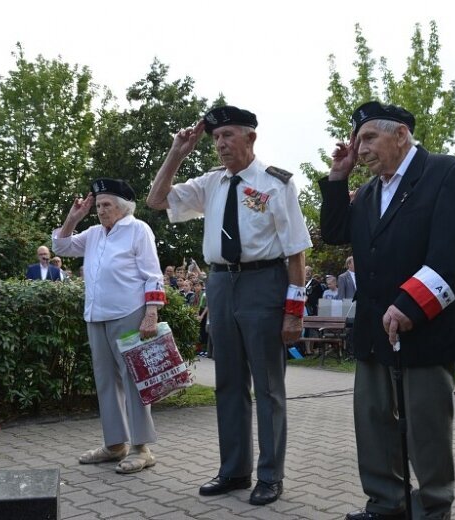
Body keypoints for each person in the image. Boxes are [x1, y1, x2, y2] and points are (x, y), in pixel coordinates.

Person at [147, 105, 312, 506]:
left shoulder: (276, 183)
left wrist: (294, 312)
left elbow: (296, 253)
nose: (220, 144)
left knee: (268, 386)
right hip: (221, 283)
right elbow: (156, 200)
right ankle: (234, 470)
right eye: (216, 138)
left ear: (250, 138)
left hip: (264, 282)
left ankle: (270, 475)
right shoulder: (212, 184)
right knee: (229, 383)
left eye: (228, 136)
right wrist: (176, 154)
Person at [319, 100, 455, 520]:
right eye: (357, 139)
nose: (361, 147)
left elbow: (453, 253)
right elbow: (335, 233)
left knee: (426, 428)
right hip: (374, 329)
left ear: (401, 134)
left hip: (423, 327)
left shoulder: (445, 173)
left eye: (369, 137)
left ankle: (432, 507)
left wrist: (410, 304)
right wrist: (338, 177)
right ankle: (386, 503)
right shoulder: (370, 188)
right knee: (373, 424)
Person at [52, 177, 167, 474]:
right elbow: (61, 247)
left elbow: (152, 274)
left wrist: (151, 313)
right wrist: (73, 217)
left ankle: (142, 448)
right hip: (96, 315)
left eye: (107, 205)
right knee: (105, 382)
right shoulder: (92, 233)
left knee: (133, 380)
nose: (101, 210)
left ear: (123, 207)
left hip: (129, 312)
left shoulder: (138, 229)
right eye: (99, 205)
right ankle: (115, 444)